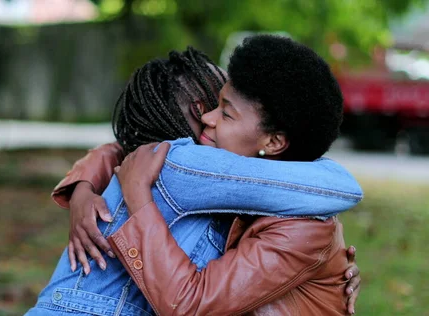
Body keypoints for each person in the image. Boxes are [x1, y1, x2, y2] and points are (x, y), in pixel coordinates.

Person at [26, 42, 361, 316]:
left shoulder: (303, 223)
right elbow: (144, 149)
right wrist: (83, 185)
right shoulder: (206, 170)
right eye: (212, 105)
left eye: (225, 111)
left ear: (273, 142)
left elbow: (191, 303)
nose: (208, 118)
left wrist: (137, 196)